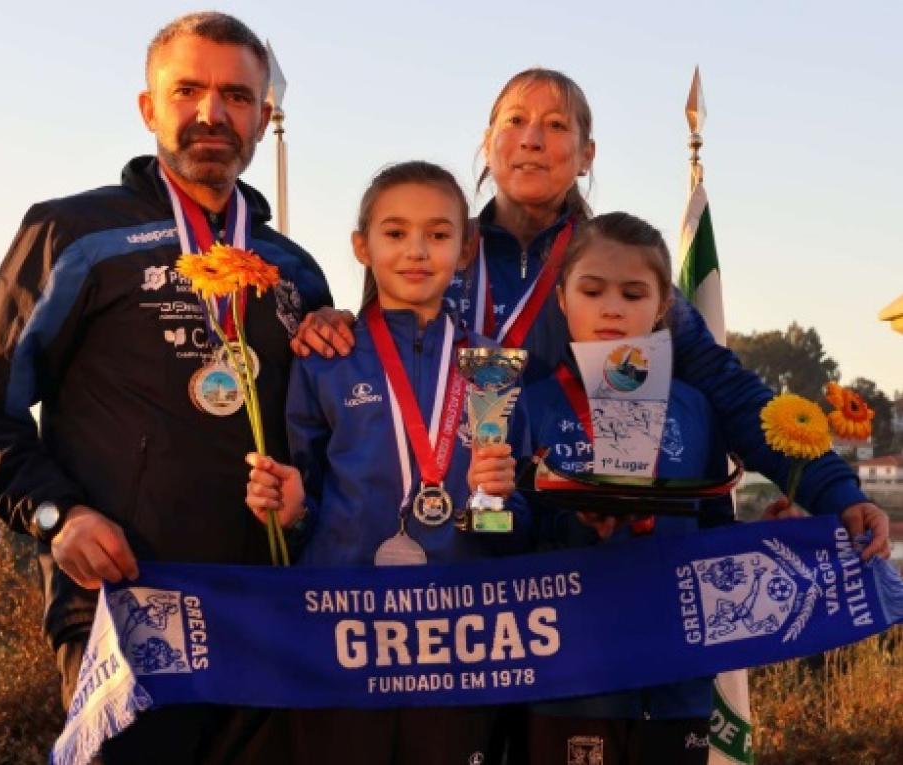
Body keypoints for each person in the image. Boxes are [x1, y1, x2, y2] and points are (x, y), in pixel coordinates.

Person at [292, 66, 890, 558]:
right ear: (487, 142)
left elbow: (724, 386)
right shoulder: (441, 249)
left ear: (586, 155)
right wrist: (334, 319)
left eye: (556, 126)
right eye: (515, 122)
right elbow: (383, 356)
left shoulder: (612, 268)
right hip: (450, 542)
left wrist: (832, 488)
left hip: (573, 543)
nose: (531, 139)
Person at [0, 12, 332, 763]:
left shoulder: (296, 269)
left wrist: (306, 495)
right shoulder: (73, 235)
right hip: (125, 606)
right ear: (149, 107)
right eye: (187, 89)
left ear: (262, 116)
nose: (212, 113)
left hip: (267, 611)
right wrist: (61, 518)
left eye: (237, 96)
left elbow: (323, 435)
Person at [245, 161, 528, 764]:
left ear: (466, 246)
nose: (417, 251)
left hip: (458, 641)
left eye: (438, 233)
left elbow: (508, 531)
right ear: (361, 246)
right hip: (344, 633)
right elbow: (308, 503)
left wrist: (499, 503)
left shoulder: (493, 367)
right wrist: (294, 511)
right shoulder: (327, 355)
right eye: (396, 233)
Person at [524, 212, 735, 765]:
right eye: (592, 290)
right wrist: (574, 524)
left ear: (663, 303)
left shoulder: (693, 407)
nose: (612, 307)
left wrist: (773, 532)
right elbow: (509, 534)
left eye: (633, 292)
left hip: (675, 679)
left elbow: (714, 528)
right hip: (572, 681)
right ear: (564, 300)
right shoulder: (531, 404)